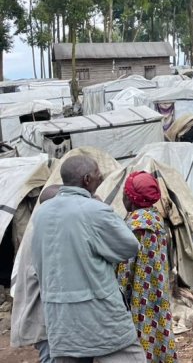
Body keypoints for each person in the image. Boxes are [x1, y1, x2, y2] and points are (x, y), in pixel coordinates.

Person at [31, 154, 145, 363]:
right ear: (87, 180)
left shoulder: (42, 212)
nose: (100, 180)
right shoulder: (95, 210)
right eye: (97, 176)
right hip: (98, 314)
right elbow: (128, 247)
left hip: (59, 316)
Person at [116, 172, 177, 363]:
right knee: (158, 328)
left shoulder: (134, 227)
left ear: (131, 198)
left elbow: (125, 270)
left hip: (138, 293)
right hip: (157, 289)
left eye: (125, 193)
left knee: (140, 335)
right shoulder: (155, 219)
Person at [10, 184, 61, 363]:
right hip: (45, 317)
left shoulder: (40, 228)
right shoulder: (45, 233)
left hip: (46, 317)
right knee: (51, 355)